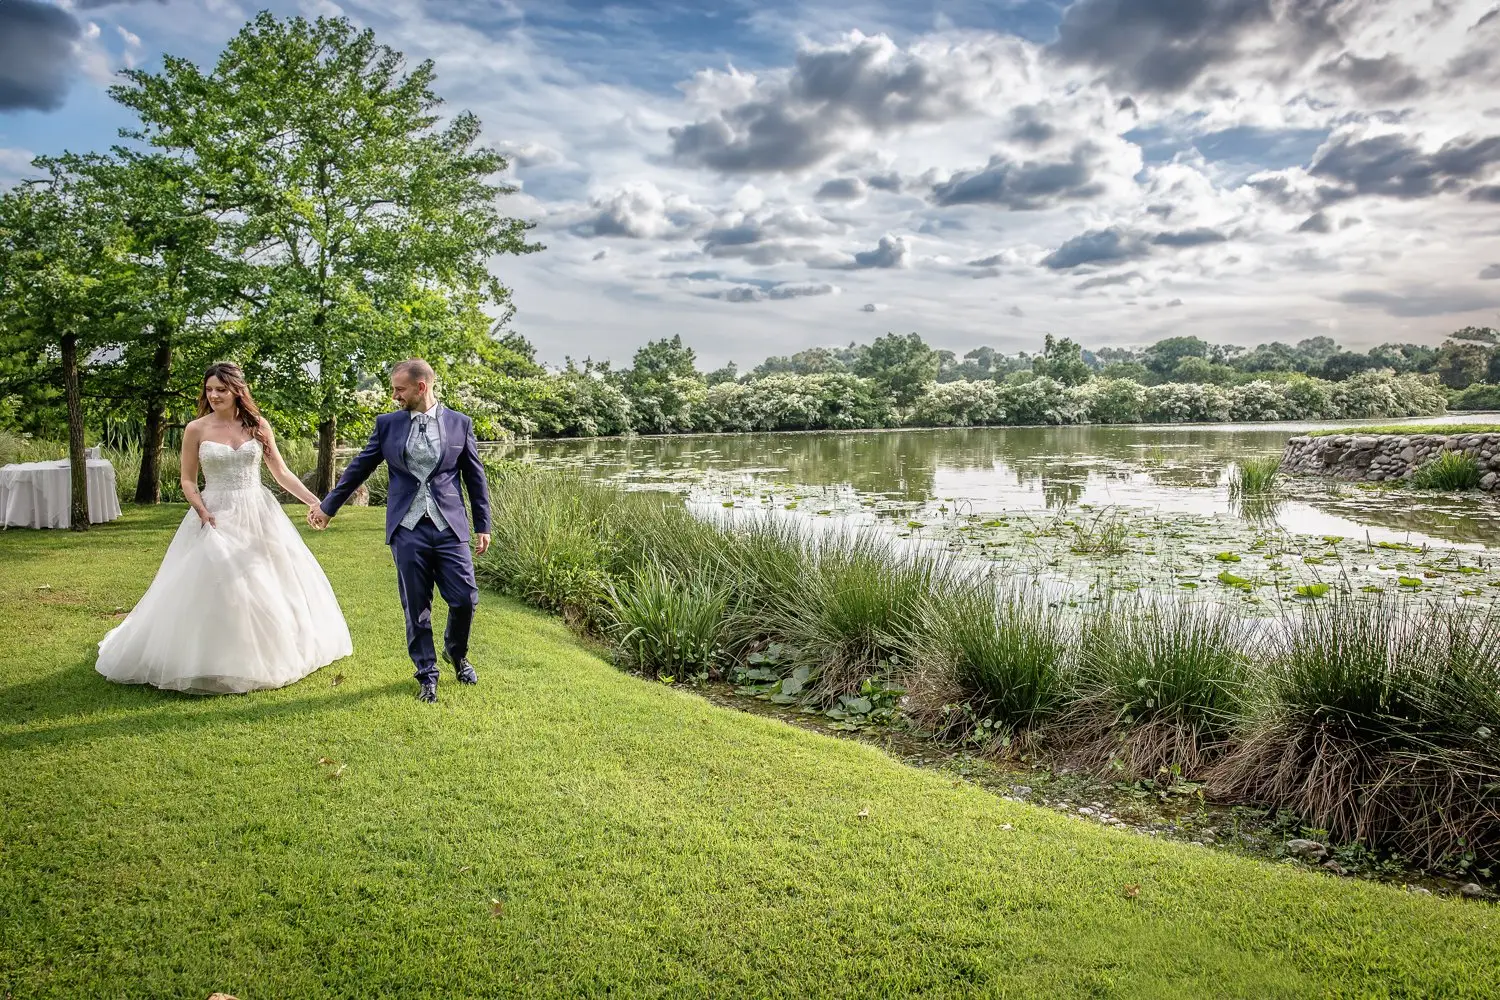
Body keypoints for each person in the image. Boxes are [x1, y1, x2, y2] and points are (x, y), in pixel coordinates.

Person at [96, 363, 353, 693]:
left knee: (263, 581)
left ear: (237, 391)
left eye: (221, 389)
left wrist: (315, 502)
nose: (214, 395)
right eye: (209, 390)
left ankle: (264, 652)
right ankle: (207, 658)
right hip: (214, 511)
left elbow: (282, 473)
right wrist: (200, 508)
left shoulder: (258, 426)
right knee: (218, 582)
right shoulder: (196, 429)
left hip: (257, 511)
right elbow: (187, 479)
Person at [309, 358, 491, 704]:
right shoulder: (388, 425)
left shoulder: (459, 424)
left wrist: (483, 524)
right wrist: (328, 506)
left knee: (465, 598)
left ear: (421, 387)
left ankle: (456, 652)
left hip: (449, 526)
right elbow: (359, 467)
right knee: (416, 606)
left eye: (399, 389)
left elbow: (475, 478)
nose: (394, 395)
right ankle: (427, 674)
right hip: (407, 528)